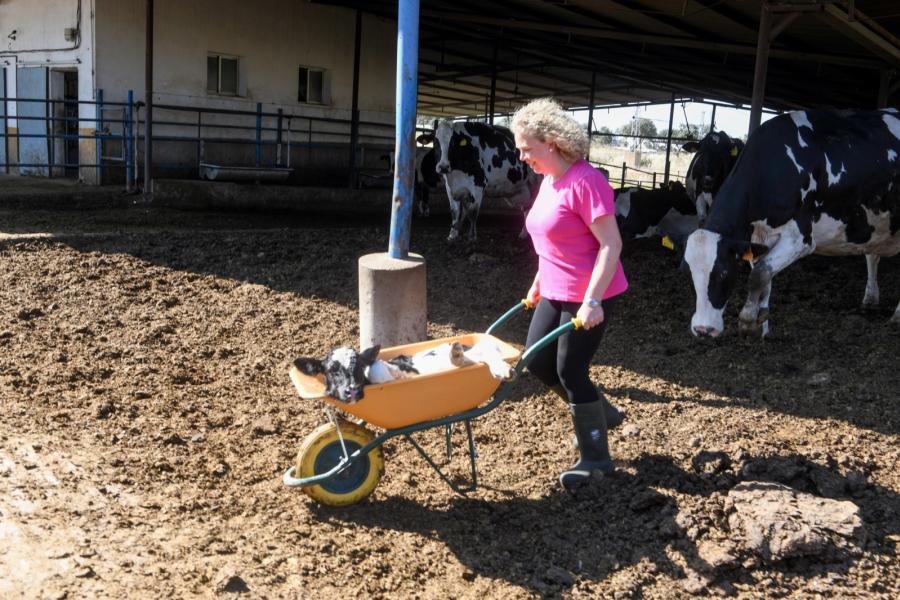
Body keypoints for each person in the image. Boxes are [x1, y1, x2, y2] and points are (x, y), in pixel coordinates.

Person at [511, 98, 628, 490]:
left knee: (570, 370)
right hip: (555, 288)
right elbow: (551, 239)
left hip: (589, 294)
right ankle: (601, 411)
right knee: (538, 363)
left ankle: (596, 458)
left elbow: (611, 244)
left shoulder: (586, 181)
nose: (522, 155)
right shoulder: (547, 180)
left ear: (553, 142)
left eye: (527, 147)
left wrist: (592, 300)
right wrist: (538, 281)